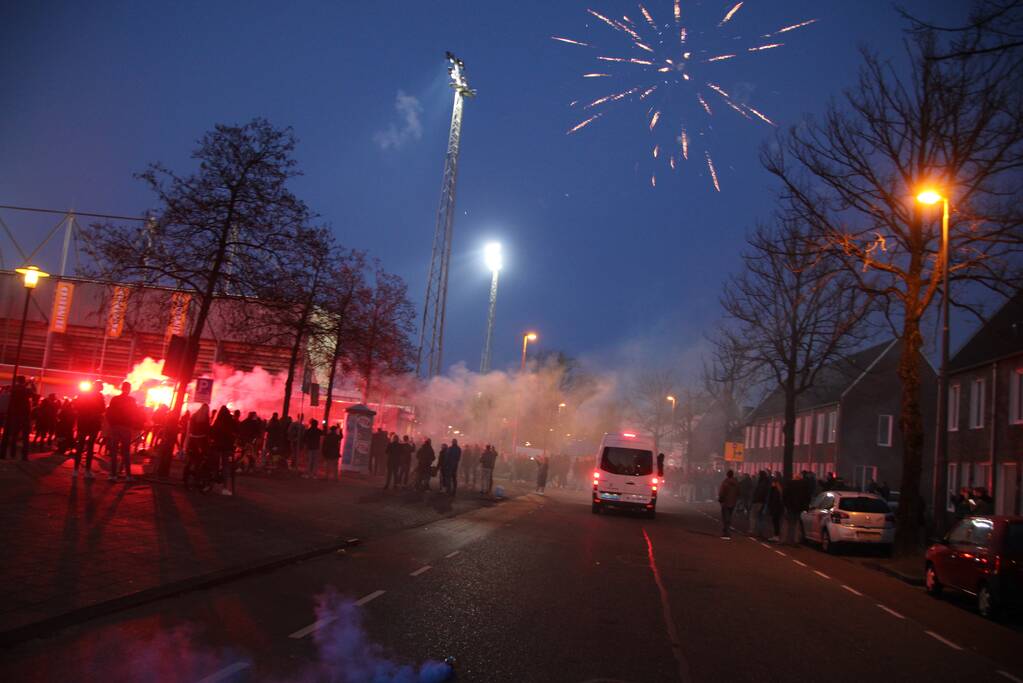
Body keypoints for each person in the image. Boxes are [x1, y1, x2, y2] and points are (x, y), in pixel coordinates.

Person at [106, 381, 139, 482]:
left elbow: (109, 412)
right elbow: (135, 414)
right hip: (126, 428)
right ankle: (128, 475)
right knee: (126, 452)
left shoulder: (115, 399)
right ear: (129, 389)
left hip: (115, 427)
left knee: (114, 451)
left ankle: (112, 475)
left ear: (121, 388)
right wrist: (132, 425)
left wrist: (112, 424)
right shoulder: (131, 400)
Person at [71, 380, 105, 477]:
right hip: (93, 424)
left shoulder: (84, 394)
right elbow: (102, 409)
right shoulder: (99, 397)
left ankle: (76, 470)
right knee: (90, 447)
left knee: (80, 445)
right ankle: (87, 470)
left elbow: (76, 406)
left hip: (83, 423)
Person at [1, 376, 33, 460]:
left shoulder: (14, 389)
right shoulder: (26, 390)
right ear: (24, 381)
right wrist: (31, 383)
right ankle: (24, 455)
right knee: (25, 436)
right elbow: (32, 393)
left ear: (17, 381)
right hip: (25, 414)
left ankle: (12, 453)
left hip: (15, 414)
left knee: (14, 435)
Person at [209, 406, 238, 495]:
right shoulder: (231, 421)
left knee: (215, 465)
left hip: (217, 446)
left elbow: (212, 432)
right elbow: (236, 431)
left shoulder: (217, 421)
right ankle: (225, 488)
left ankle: (211, 483)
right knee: (226, 467)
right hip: (227, 447)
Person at [718, 469, 740, 539]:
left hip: (725, 502)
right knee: (729, 516)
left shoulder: (725, 482)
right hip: (733, 502)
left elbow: (722, 492)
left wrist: (720, 499)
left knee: (725, 517)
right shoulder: (736, 483)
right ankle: (728, 530)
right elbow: (739, 492)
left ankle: (726, 531)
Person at [749, 471, 769, 537]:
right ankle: (760, 532)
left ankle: (752, 531)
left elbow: (758, 493)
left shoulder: (760, 483)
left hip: (757, 501)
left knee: (753, 516)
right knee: (761, 517)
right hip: (763, 502)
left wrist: (753, 500)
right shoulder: (767, 483)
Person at [767, 475, 784, 542]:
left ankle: (776, 536)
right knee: (777, 522)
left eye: (773, 482)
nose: (772, 483)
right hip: (778, 508)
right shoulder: (780, 490)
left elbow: (774, 500)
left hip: (776, 508)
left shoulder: (776, 490)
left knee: (775, 522)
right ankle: (777, 535)